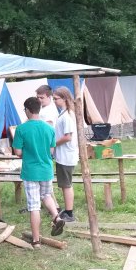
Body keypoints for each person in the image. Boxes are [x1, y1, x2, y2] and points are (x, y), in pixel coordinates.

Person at [12, 97, 65, 248]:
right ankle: (56, 217)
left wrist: (28, 153)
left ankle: (36, 240)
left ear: (28, 110)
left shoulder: (21, 129)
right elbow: (51, 151)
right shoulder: (49, 128)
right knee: (46, 195)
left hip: (30, 171)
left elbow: (18, 152)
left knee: (34, 206)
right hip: (46, 169)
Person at [53, 86, 79, 222]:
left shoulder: (67, 115)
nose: (54, 101)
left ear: (64, 98)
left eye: (56, 99)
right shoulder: (63, 114)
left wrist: (52, 144)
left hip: (66, 156)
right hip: (63, 155)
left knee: (66, 184)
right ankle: (67, 210)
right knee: (64, 184)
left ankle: (69, 213)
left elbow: (68, 136)